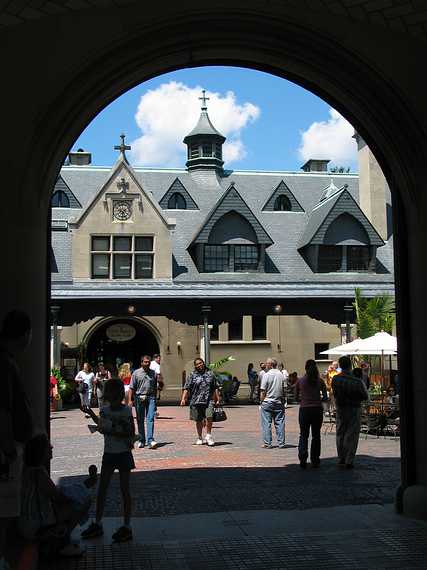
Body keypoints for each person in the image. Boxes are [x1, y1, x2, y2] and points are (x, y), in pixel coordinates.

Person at [18, 433, 97, 557]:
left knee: (72, 500)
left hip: (27, 521)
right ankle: (62, 543)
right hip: (35, 523)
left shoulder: (29, 470)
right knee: (81, 503)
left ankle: (60, 539)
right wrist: (76, 496)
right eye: (48, 446)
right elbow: (57, 496)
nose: (52, 447)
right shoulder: (39, 473)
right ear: (41, 451)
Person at [81, 378, 135, 543]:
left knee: (123, 490)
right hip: (111, 453)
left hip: (121, 453)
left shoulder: (126, 410)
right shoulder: (105, 410)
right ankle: (100, 523)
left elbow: (131, 431)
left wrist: (114, 431)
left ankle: (125, 525)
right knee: (104, 489)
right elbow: (102, 424)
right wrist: (91, 415)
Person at [0, 310, 34, 569]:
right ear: (24, 334)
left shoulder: (7, 360)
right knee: (7, 509)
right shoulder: (5, 363)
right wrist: (9, 448)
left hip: (10, 446)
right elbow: (4, 409)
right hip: (7, 451)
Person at [332, 355, 369, 469]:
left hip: (341, 408)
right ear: (350, 365)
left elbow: (335, 394)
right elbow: (364, 396)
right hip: (354, 408)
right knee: (352, 434)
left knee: (340, 433)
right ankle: (349, 459)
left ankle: (341, 457)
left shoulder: (335, 379)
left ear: (341, 365)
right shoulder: (357, 381)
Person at [295, 360, 328, 468]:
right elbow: (325, 397)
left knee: (303, 435)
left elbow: (296, 397)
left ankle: (303, 457)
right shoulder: (320, 381)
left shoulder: (300, 381)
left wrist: (303, 399)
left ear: (305, 368)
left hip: (304, 410)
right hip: (317, 410)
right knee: (316, 436)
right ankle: (315, 459)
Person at [180, 358, 220, 446]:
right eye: (197, 364)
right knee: (198, 420)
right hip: (195, 401)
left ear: (203, 363)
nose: (199, 365)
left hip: (208, 400)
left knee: (209, 417)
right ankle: (199, 437)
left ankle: (209, 436)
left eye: (200, 363)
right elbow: (186, 387)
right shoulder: (192, 375)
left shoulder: (210, 374)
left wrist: (217, 399)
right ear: (195, 366)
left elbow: (215, 387)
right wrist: (183, 399)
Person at [127, 355, 158, 449]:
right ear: (141, 363)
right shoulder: (136, 373)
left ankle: (150, 440)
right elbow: (131, 387)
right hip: (139, 398)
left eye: (148, 362)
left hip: (150, 397)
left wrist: (155, 400)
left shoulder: (153, 373)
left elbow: (155, 387)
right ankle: (141, 439)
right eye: (145, 362)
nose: (147, 364)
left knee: (150, 418)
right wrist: (129, 400)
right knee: (140, 419)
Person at [259, 357, 286, 448]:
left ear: (270, 365)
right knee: (280, 422)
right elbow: (284, 389)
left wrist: (261, 401)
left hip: (267, 401)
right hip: (278, 401)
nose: (265, 365)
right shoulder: (281, 375)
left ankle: (267, 443)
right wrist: (284, 399)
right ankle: (281, 443)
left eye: (267, 363)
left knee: (266, 423)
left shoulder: (266, 375)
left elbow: (263, 390)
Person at [150, 354, 164, 418]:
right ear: (155, 358)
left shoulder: (150, 363)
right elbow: (158, 375)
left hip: (148, 383)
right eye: (158, 358)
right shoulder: (157, 365)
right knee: (154, 398)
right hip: (154, 384)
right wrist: (160, 383)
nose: (159, 360)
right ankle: (154, 412)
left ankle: (150, 411)